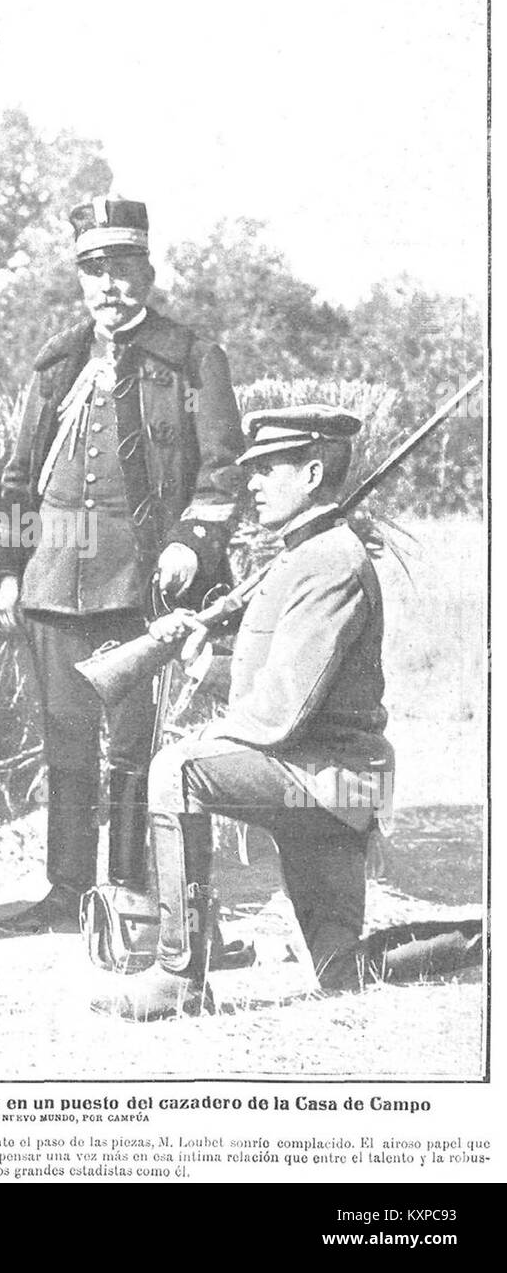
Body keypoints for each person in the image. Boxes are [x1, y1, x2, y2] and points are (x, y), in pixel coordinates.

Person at [91, 404, 483, 1020]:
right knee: (341, 970)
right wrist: (205, 658)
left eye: (268, 468)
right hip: (327, 786)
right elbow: (281, 683)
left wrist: (205, 730)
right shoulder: (305, 553)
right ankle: (479, 940)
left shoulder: (328, 561)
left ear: (312, 472)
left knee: (177, 769)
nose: (250, 483)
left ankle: (177, 978)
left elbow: (281, 712)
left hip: (323, 782)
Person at [0, 196, 243, 933]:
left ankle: (126, 890)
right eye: (94, 270)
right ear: (80, 279)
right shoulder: (56, 364)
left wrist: (188, 546)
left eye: (123, 268)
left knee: (131, 748)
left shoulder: (192, 358)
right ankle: (66, 891)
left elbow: (223, 473)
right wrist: (9, 569)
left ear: (148, 273)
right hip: (51, 584)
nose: (109, 284)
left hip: (141, 584)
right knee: (64, 742)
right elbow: (17, 475)